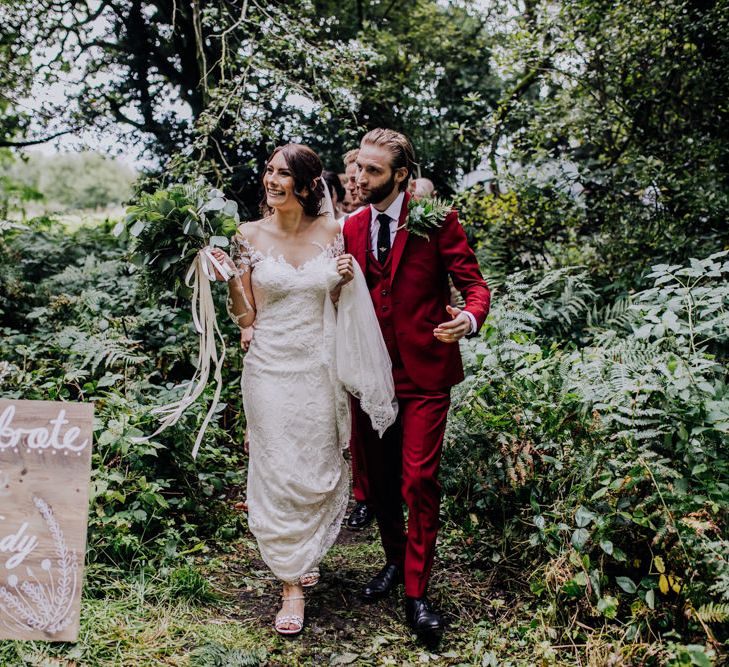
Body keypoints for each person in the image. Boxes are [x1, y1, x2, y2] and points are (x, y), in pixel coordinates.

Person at [209, 143, 395, 636]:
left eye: (283, 174)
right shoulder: (247, 235)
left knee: (317, 465)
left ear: (308, 185)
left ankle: (302, 547)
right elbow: (246, 316)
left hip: (319, 363)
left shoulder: (334, 233)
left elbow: (340, 302)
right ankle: (290, 583)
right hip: (269, 365)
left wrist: (342, 280)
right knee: (276, 465)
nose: (271, 180)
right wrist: (229, 278)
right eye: (269, 171)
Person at [343, 128, 491, 640]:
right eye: (358, 167)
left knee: (417, 481)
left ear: (401, 175)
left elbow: (474, 285)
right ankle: (393, 560)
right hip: (369, 375)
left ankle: (417, 592)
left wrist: (467, 320)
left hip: (425, 374)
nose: (360, 178)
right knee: (380, 484)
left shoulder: (438, 220)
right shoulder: (351, 228)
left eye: (373, 171)